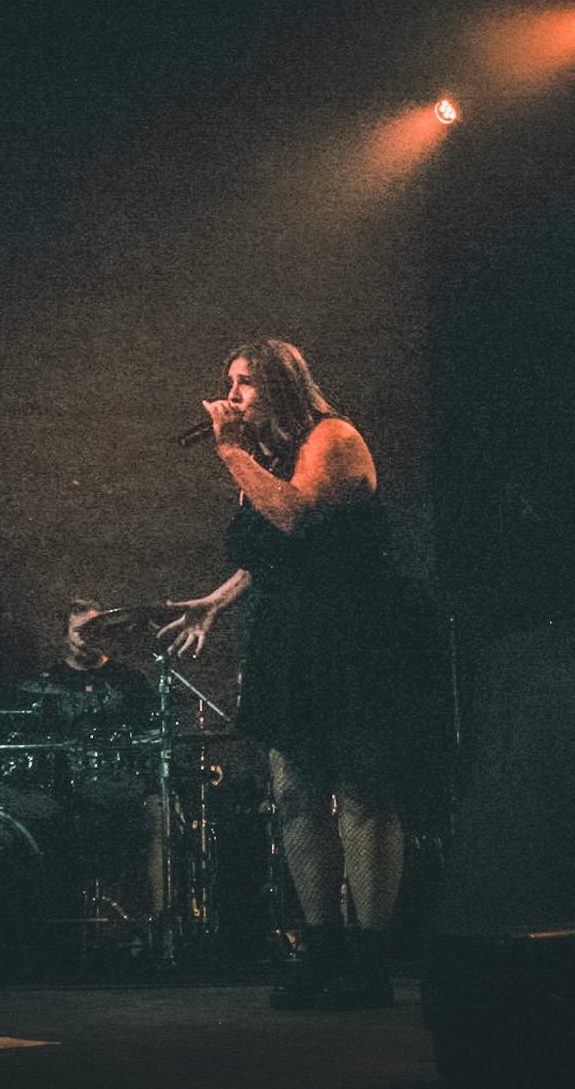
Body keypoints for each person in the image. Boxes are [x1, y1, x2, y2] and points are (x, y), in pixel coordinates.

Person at [161, 338, 439, 1010]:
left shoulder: (332, 437)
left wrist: (231, 452)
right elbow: (272, 555)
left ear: (282, 386)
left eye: (244, 383)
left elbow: (296, 517)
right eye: (228, 382)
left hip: (352, 635)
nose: (230, 397)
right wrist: (218, 600)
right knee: (296, 795)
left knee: (363, 794)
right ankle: (322, 947)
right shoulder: (271, 457)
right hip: (290, 638)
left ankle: (370, 959)